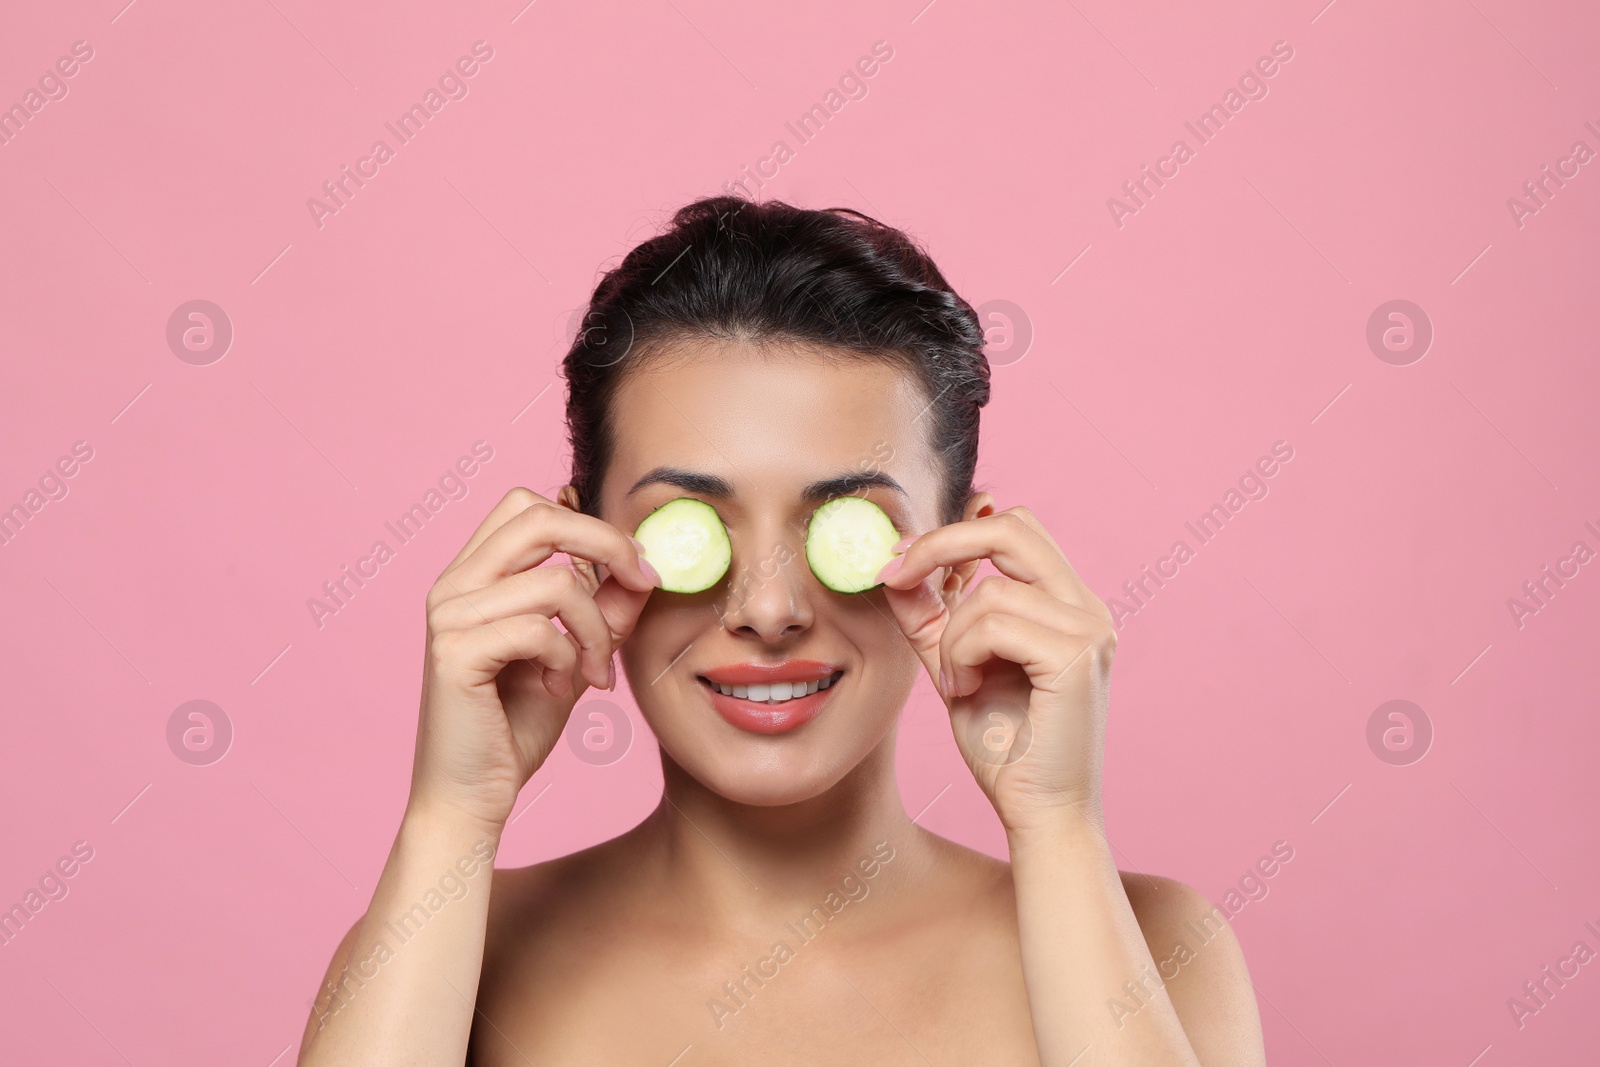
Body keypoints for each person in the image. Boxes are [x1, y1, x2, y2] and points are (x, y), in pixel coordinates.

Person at [295, 196, 1266, 1065]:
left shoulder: (1156, 942)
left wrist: (1056, 828)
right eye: (696, 527)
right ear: (585, 553)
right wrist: (451, 818)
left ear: (962, 557)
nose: (768, 608)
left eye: (845, 523)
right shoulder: (447, 948)